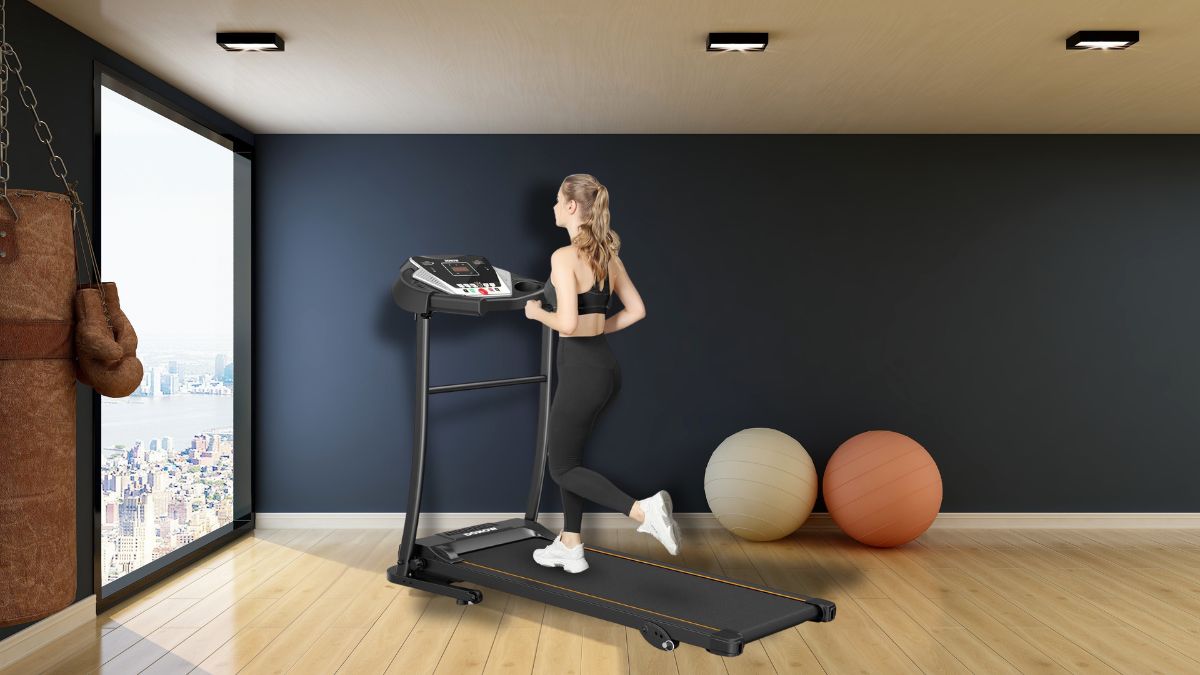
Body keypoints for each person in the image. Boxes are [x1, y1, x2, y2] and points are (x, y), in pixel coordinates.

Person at [523, 173, 680, 574]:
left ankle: (644, 513)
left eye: (559, 200)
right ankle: (570, 544)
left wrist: (537, 312)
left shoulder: (563, 257)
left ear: (573, 206)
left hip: (579, 371)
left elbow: (569, 325)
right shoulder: (608, 256)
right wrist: (600, 326)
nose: (555, 207)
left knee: (561, 467)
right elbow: (636, 310)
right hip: (604, 368)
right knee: (569, 460)